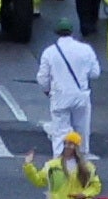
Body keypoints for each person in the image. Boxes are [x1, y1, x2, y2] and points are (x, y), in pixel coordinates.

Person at [36, 17, 100, 152]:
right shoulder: (86, 49)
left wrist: (47, 91)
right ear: (72, 32)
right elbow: (95, 73)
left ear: (57, 32)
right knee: (82, 133)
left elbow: (42, 78)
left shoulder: (50, 52)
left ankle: (60, 165)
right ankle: (82, 163)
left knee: (60, 134)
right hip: (81, 95)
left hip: (60, 96)